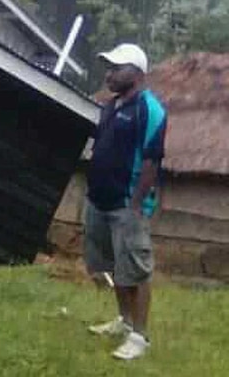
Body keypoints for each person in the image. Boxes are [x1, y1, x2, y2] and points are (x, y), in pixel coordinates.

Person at [84, 43, 167, 361]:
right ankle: (124, 320)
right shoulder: (110, 106)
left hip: (126, 204)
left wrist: (135, 205)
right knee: (113, 267)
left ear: (137, 73)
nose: (110, 74)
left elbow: (151, 161)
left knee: (135, 270)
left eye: (116, 68)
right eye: (108, 68)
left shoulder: (150, 110)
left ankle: (139, 336)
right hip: (99, 200)